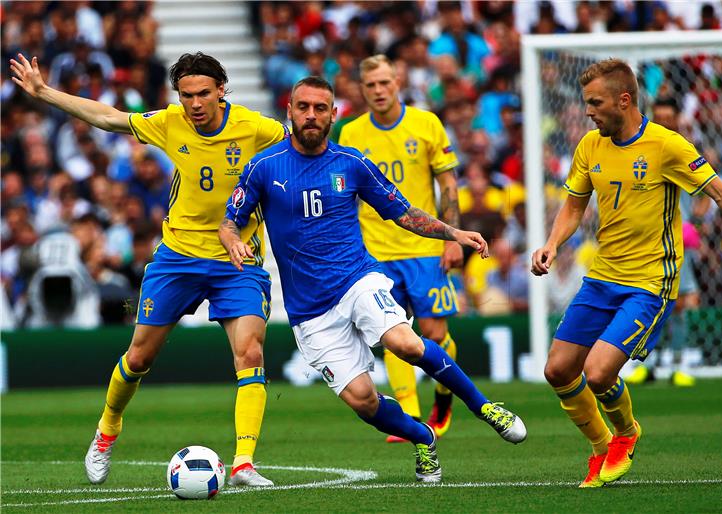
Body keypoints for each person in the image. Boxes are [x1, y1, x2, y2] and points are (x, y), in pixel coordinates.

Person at [219, 76, 526, 483]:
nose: (311, 115)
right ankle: (424, 437)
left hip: (357, 279)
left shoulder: (352, 164)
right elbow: (229, 222)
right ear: (289, 111)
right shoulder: (264, 167)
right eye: (303, 107)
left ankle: (484, 406)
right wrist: (233, 243)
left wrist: (454, 232)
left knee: (405, 343)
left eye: (320, 108)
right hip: (310, 311)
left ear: (334, 114)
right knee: (364, 402)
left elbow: (404, 212)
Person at [10, 52, 287, 487]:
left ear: (221, 92)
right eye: (186, 95)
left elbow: (302, 153)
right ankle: (106, 431)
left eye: (203, 94)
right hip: (177, 256)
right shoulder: (170, 121)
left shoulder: (257, 128)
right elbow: (108, 118)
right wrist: (44, 92)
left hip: (238, 260)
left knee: (250, 353)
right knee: (139, 356)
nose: (194, 104)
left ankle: (245, 462)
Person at [530, 58, 722, 489]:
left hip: (650, 283)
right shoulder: (589, 146)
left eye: (595, 103)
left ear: (624, 99)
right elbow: (575, 206)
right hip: (601, 278)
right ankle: (600, 447)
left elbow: (719, 190)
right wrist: (552, 244)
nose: (588, 111)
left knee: (598, 373)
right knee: (558, 370)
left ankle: (627, 433)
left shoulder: (667, 145)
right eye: (586, 103)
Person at [338, 55, 461, 443]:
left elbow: (449, 184)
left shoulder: (426, 124)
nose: (378, 91)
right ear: (362, 88)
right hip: (374, 254)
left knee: (435, 334)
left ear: (398, 81)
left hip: (424, 249)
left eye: (384, 83)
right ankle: (409, 415)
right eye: (370, 84)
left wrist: (452, 237)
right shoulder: (352, 133)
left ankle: (443, 396)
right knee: (391, 329)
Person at [626, 96, 707, 387]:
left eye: (667, 117)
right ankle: (649, 363)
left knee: (680, 303)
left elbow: (708, 191)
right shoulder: (644, 148)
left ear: (676, 119)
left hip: (676, 239)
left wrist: (693, 222)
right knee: (648, 301)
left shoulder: (682, 149)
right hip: (647, 238)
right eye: (658, 116)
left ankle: (680, 363)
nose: (662, 121)